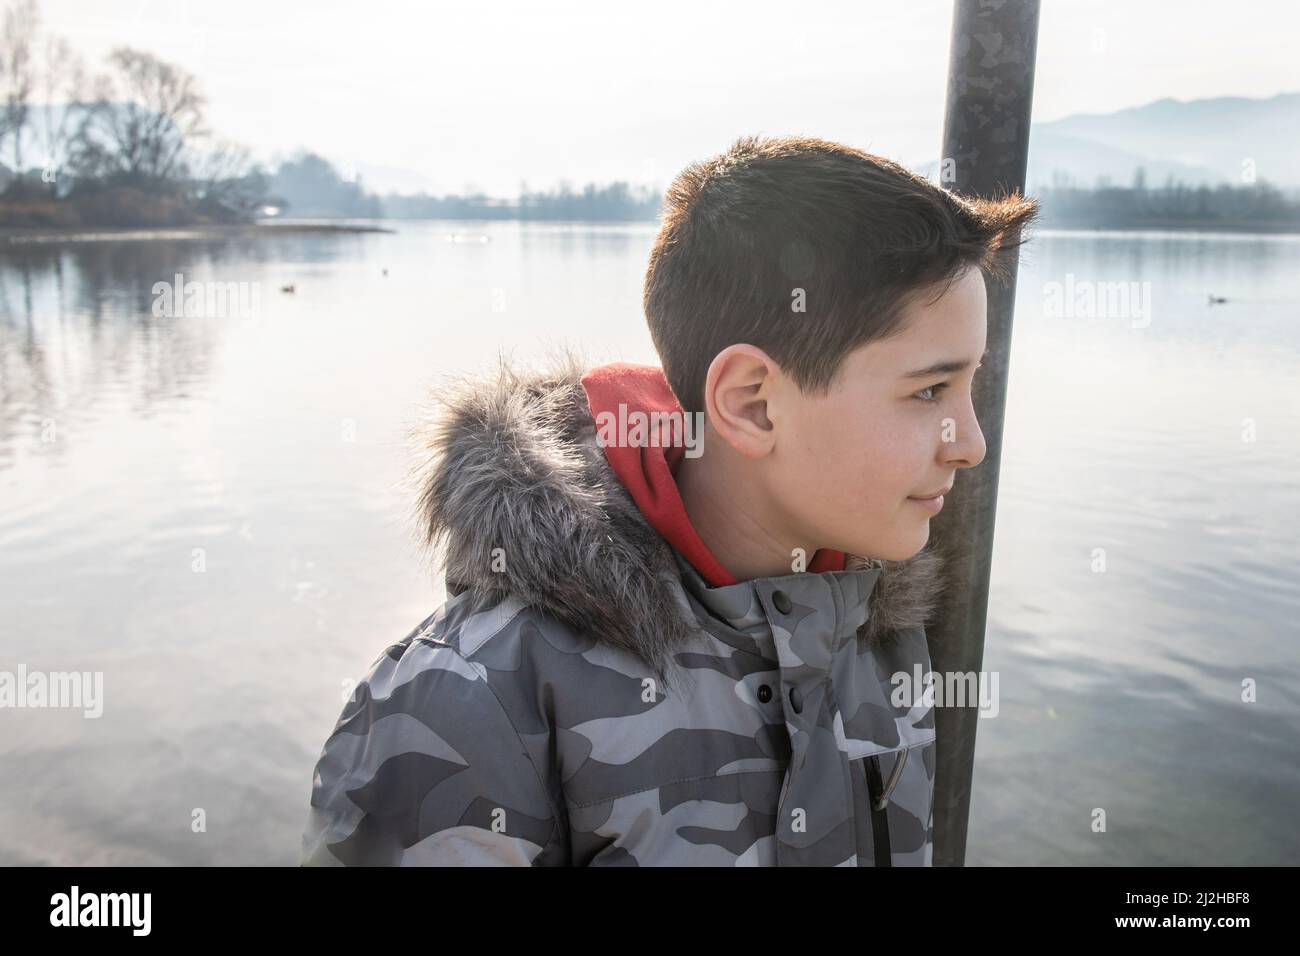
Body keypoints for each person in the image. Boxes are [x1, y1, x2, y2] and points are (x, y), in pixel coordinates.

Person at [300, 134, 1038, 866]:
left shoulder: (879, 630)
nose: (970, 442)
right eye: (930, 391)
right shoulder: (471, 702)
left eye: (968, 384)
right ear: (752, 405)